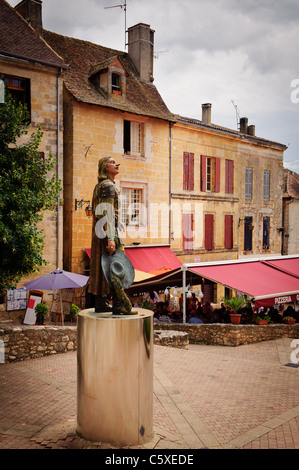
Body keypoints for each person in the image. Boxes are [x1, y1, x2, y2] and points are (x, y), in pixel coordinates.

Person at [88, 156, 125, 313]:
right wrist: (111, 238)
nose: (116, 164)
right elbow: (107, 213)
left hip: (103, 231)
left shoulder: (102, 185)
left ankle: (101, 302)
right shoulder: (108, 186)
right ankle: (118, 305)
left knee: (104, 267)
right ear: (105, 167)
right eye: (112, 162)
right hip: (107, 232)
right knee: (118, 266)